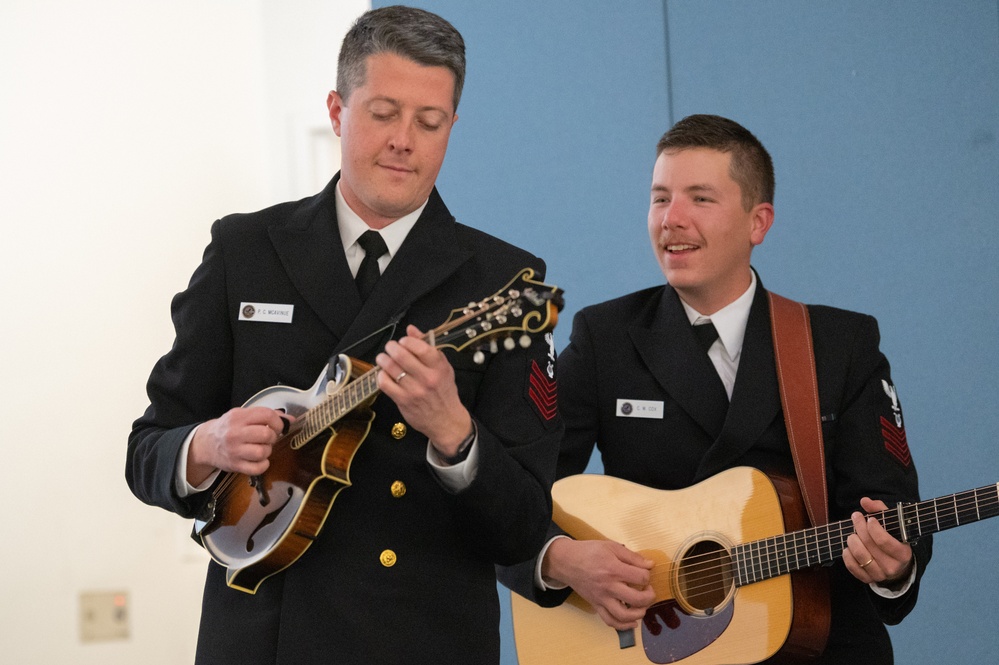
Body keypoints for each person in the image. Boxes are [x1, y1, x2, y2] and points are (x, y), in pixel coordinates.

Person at [126, 6, 562, 664]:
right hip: (265, 636)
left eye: (429, 121)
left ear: (452, 127)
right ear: (337, 110)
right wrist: (208, 443)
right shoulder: (244, 249)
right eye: (383, 112)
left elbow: (525, 525)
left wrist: (454, 433)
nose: (404, 141)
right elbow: (146, 450)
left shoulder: (505, 283)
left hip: (423, 640)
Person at [500, 114, 931, 663]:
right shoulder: (605, 338)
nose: (671, 220)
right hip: (656, 645)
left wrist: (894, 566)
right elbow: (513, 495)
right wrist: (561, 559)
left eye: (700, 199)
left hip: (815, 645)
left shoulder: (839, 345)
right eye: (660, 199)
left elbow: (892, 510)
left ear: (759, 222)